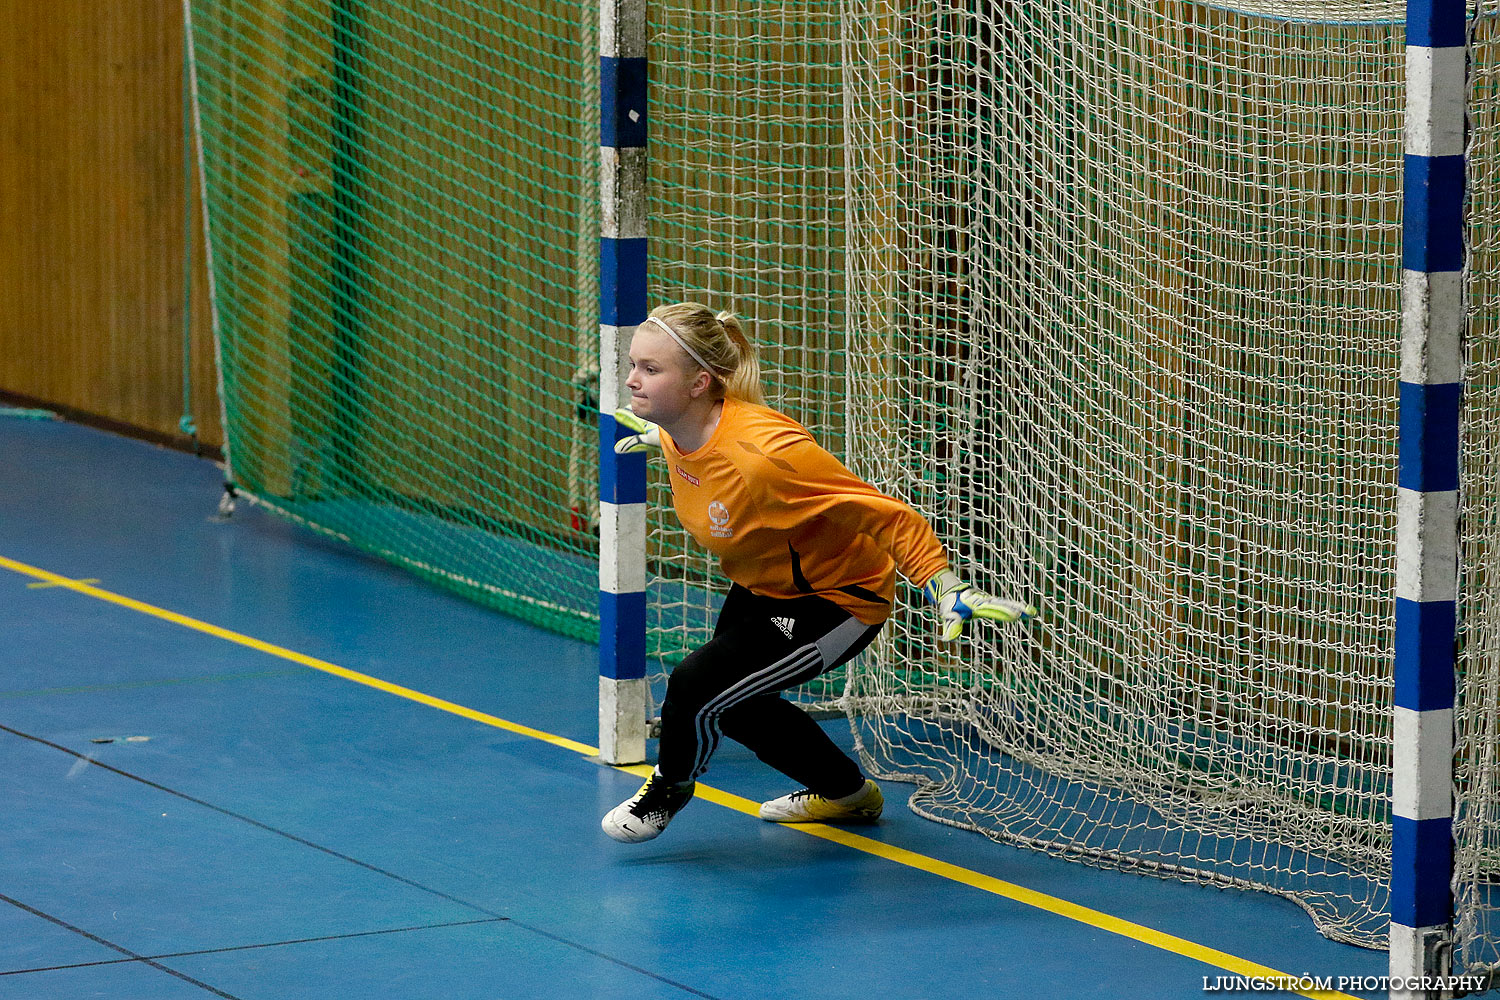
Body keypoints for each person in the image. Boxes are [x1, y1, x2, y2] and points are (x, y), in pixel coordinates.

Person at [601, 302, 1035, 844]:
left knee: (695, 684)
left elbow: (887, 515)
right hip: (764, 584)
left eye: (650, 369)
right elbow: (696, 452)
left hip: (834, 601)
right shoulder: (681, 430)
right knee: (736, 705)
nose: (632, 380)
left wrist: (945, 586)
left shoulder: (766, 457)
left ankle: (668, 791)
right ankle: (849, 796)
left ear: (700, 383)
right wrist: (658, 439)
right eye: (634, 365)